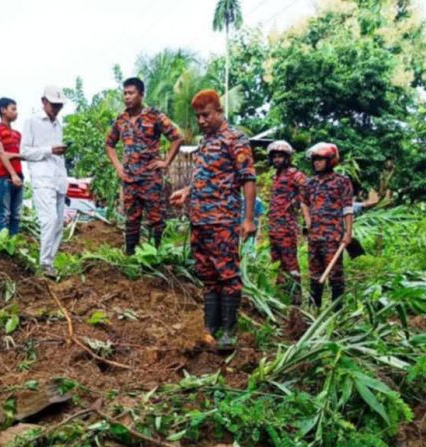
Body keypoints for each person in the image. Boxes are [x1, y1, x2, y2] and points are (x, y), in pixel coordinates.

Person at [170, 90, 256, 351]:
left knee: (227, 275)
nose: (202, 120)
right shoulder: (205, 142)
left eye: (206, 115)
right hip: (200, 220)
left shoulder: (235, 139)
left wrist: (249, 219)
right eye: (198, 116)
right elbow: (203, 178)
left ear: (219, 111)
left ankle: (229, 332)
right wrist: (187, 191)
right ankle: (210, 327)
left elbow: (248, 180)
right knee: (208, 275)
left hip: (223, 221)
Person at [105, 77, 183, 254]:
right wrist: (119, 169)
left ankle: (158, 255)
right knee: (131, 219)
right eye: (125, 93)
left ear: (141, 94)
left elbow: (177, 138)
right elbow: (109, 144)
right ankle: (130, 255)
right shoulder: (121, 120)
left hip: (150, 179)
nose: (127, 97)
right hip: (130, 180)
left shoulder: (154, 116)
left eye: (131, 93)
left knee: (156, 219)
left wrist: (166, 162)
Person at [20, 86, 69, 278]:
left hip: (58, 178)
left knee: (58, 225)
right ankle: (44, 263)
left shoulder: (59, 125)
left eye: (59, 106)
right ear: (43, 101)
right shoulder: (32, 122)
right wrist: (49, 150)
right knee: (49, 220)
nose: (56, 109)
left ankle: (50, 262)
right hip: (42, 178)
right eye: (53, 105)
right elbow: (24, 152)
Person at [302, 142, 353, 310]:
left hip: (333, 236)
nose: (316, 163)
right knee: (315, 274)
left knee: (335, 275)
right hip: (314, 236)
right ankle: (314, 310)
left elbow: (347, 208)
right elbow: (304, 202)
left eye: (320, 159)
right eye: (315, 159)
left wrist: (348, 232)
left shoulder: (341, 182)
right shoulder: (310, 183)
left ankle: (337, 312)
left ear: (330, 161)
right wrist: (308, 220)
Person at [265, 140, 309, 302]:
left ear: (288, 158)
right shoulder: (276, 176)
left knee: (290, 262)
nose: (277, 160)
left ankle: (296, 296)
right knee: (277, 263)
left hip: (287, 227)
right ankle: (281, 295)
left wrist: (297, 202)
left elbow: (308, 187)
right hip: (274, 227)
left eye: (280, 157)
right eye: (274, 157)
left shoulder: (293, 173)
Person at [0, 97, 24, 235]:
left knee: (16, 214)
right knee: (5, 213)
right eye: (13, 109)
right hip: (5, 177)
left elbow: (22, 155)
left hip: (19, 176)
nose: (16, 112)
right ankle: (3, 246)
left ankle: (13, 245)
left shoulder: (18, 134)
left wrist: (11, 155)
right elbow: (1, 154)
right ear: (3, 110)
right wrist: (13, 174)